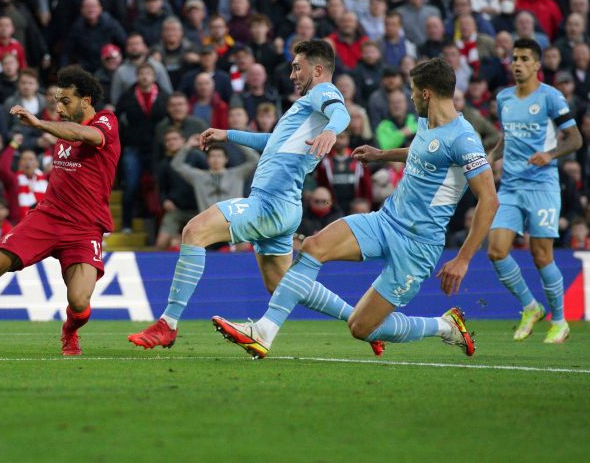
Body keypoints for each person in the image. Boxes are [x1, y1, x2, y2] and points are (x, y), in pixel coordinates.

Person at [212, 58, 496, 359]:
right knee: (313, 246)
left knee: (361, 327)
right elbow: (424, 152)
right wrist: (382, 154)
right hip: (386, 221)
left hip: (418, 246)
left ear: (426, 93)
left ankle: (444, 326)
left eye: (413, 90)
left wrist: (463, 260)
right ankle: (264, 331)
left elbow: (489, 200)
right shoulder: (427, 123)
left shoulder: (465, 140)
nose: (411, 97)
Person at [129, 40, 379, 354]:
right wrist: (228, 134)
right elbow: (274, 142)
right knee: (282, 285)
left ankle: (168, 323)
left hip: (269, 203)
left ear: (317, 69)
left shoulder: (323, 93)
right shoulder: (307, 110)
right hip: (284, 207)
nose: (292, 75)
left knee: (194, 231)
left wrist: (333, 130)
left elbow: (340, 112)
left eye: (297, 67)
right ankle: (362, 321)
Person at [0, 66, 120, 356]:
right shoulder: (62, 131)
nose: (59, 107)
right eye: (57, 100)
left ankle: (69, 330)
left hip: (85, 227)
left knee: (79, 302)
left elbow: (85, 134)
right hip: (47, 217)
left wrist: (39, 124)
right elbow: (69, 133)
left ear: (86, 101)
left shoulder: (106, 121)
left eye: (66, 100)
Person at [485, 39, 582, 343]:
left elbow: (575, 138)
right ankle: (530, 307)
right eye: (514, 58)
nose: (517, 63)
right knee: (496, 250)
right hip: (511, 186)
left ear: (537, 65)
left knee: (541, 256)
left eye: (525, 59)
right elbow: (507, 136)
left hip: (542, 186)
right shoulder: (504, 99)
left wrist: (550, 155)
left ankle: (561, 321)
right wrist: (492, 156)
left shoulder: (551, 98)